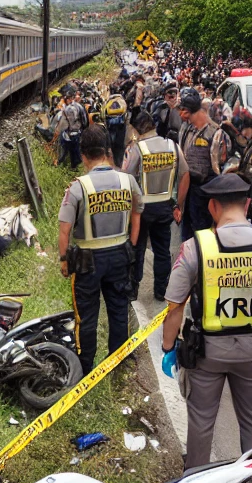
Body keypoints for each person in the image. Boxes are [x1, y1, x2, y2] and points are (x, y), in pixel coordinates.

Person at [160, 174, 252, 467]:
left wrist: (168, 348)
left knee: (202, 423)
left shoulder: (196, 247)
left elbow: (175, 306)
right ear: (248, 203)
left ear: (213, 206)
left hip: (206, 352)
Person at [58, 124, 143, 375]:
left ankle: (85, 367)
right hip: (120, 254)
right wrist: (132, 245)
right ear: (107, 151)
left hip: (87, 260)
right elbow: (137, 214)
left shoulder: (77, 187)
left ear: (83, 155)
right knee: (118, 309)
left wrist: (64, 259)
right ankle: (117, 361)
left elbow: (65, 229)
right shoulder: (127, 181)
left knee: (87, 315)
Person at [123, 110, 188, 301]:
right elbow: (185, 175)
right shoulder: (172, 146)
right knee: (162, 250)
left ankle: (133, 289)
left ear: (136, 129)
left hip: (141, 209)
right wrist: (179, 205)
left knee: (137, 248)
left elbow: (126, 177)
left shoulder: (137, 149)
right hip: (165, 206)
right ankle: (161, 290)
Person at [178, 87, 229, 237]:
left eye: (184, 111)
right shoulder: (187, 129)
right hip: (188, 189)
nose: (181, 115)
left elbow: (220, 167)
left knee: (202, 234)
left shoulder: (216, 134)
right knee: (187, 232)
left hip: (205, 191)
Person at [54, 85, 88, 170]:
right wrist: (84, 130)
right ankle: (75, 167)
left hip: (66, 135)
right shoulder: (79, 107)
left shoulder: (65, 110)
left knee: (64, 152)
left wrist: (58, 131)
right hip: (77, 134)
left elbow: (62, 124)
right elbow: (85, 120)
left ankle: (60, 165)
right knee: (75, 152)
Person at [103, 93, 129, 166]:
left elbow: (104, 117)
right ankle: (119, 163)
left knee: (112, 146)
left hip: (111, 127)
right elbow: (126, 117)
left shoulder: (108, 102)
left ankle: (113, 162)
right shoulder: (122, 102)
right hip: (120, 127)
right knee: (120, 147)